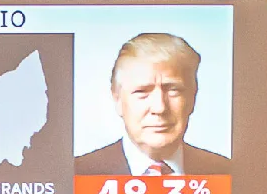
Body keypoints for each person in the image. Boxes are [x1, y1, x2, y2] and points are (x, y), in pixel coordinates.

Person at [74, 33, 232, 176]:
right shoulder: (76, 175)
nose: (160, 108)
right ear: (118, 100)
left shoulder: (229, 173)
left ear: (192, 98)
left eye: (173, 90)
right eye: (142, 92)